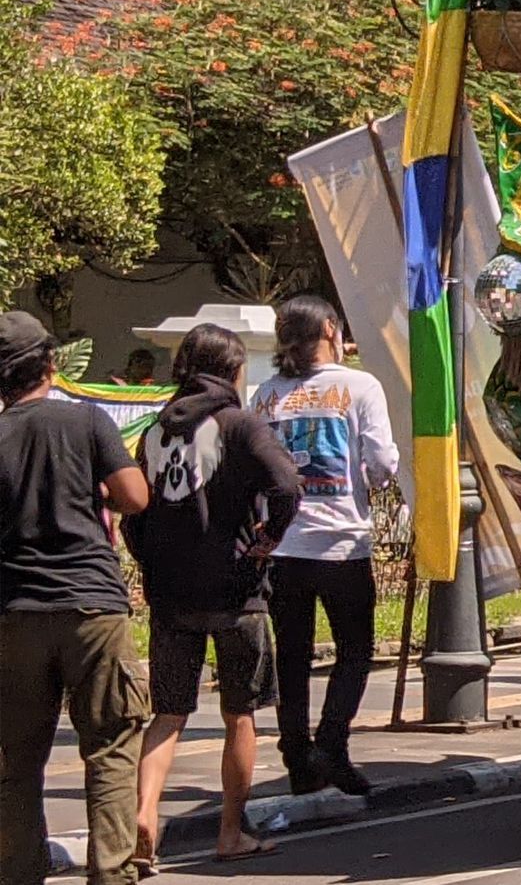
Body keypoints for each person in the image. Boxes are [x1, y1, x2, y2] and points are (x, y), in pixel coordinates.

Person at [125, 324, 300, 866]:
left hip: (171, 593)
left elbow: (133, 509)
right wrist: (267, 540)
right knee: (240, 714)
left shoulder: (154, 432)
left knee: (169, 713)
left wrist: (149, 557)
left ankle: (143, 817)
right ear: (231, 370)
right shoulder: (242, 425)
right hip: (235, 591)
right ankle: (230, 832)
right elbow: (287, 485)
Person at [0, 311, 151, 885]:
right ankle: (111, 873)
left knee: (17, 758)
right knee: (110, 746)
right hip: (92, 604)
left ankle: (18, 871)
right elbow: (134, 496)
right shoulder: (86, 420)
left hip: (15, 610)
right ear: (51, 364)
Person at [252, 297, 398, 795]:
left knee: (292, 654)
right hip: (341, 540)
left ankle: (296, 755)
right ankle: (331, 742)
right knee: (355, 649)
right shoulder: (360, 386)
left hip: (284, 544)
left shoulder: (267, 394)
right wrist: (378, 479)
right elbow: (380, 459)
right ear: (331, 329)